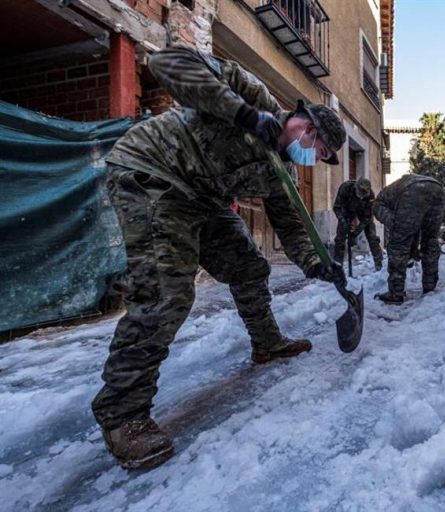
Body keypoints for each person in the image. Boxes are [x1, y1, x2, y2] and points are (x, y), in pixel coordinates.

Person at [91, 45, 347, 469]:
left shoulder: (278, 169)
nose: (313, 157)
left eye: (319, 158)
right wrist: (244, 115)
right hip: (153, 172)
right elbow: (167, 63)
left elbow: (290, 224)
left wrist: (316, 263)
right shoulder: (254, 97)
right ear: (303, 122)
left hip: (201, 197)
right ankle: (123, 416)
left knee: (249, 264)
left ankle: (267, 343)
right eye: (316, 146)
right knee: (166, 294)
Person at [372, 174, 444, 304]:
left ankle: (395, 293)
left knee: (398, 245)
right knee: (430, 241)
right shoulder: (395, 190)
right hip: (437, 188)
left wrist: (395, 226)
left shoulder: (379, 202)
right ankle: (430, 286)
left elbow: (393, 222)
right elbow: (414, 227)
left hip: (413, 190)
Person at [332, 177, 383, 270]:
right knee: (340, 239)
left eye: (364, 195)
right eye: (360, 193)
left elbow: (367, 218)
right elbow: (337, 207)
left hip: (363, 213)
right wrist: (342, 220)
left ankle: (379, 265)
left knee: (372, 237)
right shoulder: (345, 188)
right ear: (356, 188)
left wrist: (355, 234)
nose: (361, 196)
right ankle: (337, 267)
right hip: (347, 211)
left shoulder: (370, 195)